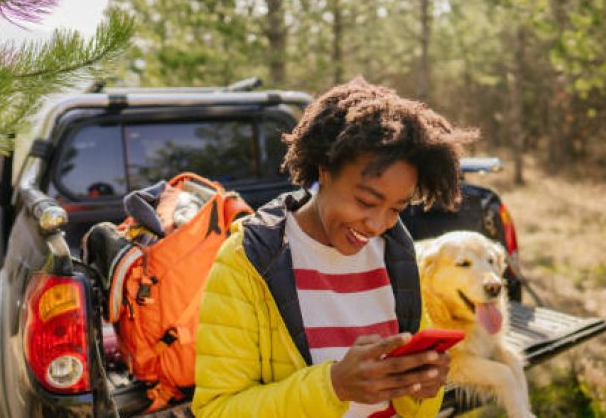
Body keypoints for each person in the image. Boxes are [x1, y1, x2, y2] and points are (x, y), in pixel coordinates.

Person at [192, 77, 477, 417]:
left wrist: (423, 388)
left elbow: (419, 409)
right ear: (324, 170)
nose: (377, 225)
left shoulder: (397, 255)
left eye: (396, 209)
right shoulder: (248, 262)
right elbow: (216, 410)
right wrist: (332, 388)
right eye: (365, 201)